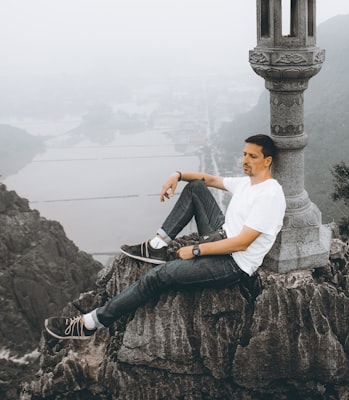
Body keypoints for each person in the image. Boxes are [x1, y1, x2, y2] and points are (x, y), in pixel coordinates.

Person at [44, 134, 286, 340]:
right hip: (220, 236)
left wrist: (195, 251)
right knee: (196, 188)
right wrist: (177, 175)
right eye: (244, 154)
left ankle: (90, 324)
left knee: (158, 276)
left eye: (252, 156)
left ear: (267, 161)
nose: (244, 160)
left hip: (233, 263)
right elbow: (209, 180)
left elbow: (242, 243)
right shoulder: (248, 184)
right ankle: (158, 245)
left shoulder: (270, 195)